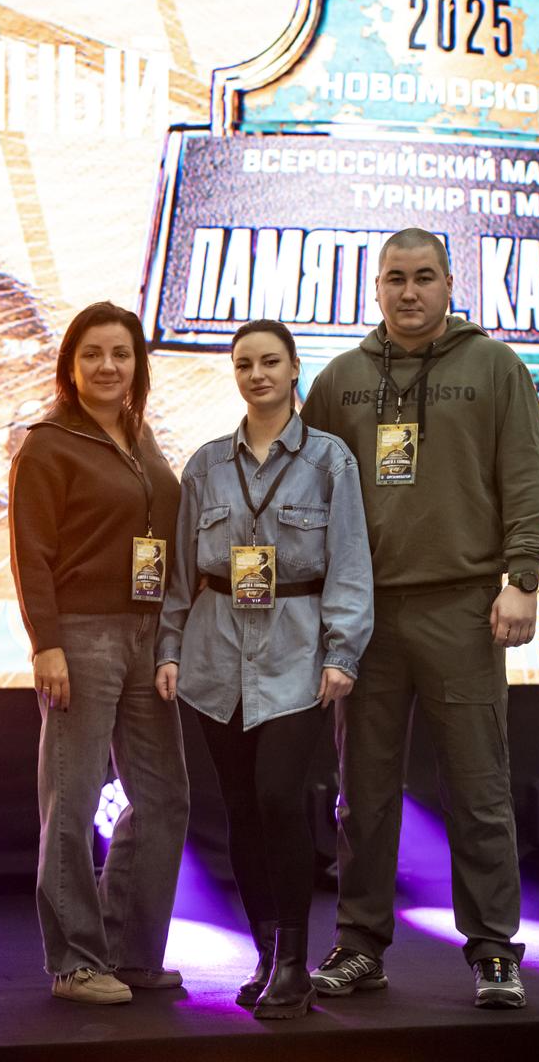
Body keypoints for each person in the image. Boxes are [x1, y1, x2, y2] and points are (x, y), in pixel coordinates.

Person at [300, 228, 539, 1009]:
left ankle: (493, 952)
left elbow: (526, 475)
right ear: (376, 287)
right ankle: (359, 945)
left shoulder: (495, 367)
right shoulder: (339, 380)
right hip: (365, 618)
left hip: (463, 609)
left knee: (479, 790)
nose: (409, 292)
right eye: (395, 279)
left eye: (424, 277)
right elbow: (307, 497)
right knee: (362, 796)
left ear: (449, 284)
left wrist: (522, 578)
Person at [155, 318, 373, 1019]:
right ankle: (267, 952)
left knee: (279, 797)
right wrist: (169, 647)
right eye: (245, 363)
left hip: (296, 655)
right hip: (215, 657)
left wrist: (342, 651)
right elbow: (181, 572)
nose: (258, 375)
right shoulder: (205, 465)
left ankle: (295, 965)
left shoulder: (330, 460)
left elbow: (350, 561)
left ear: (293, 367)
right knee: (241, 809)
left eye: (271, 361)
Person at [8, 301, 190, 1005]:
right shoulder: (47, 442)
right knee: (73, 800)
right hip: (80, 636)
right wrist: (47, 645)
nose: (108, 366)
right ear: (70, 364)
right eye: (92, 354)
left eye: (121, 353)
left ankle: (132, 954)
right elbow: (30, 553)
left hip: (147, 632)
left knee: (164, 798)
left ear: (138, 363)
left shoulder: (139, 434)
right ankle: (75, 963)